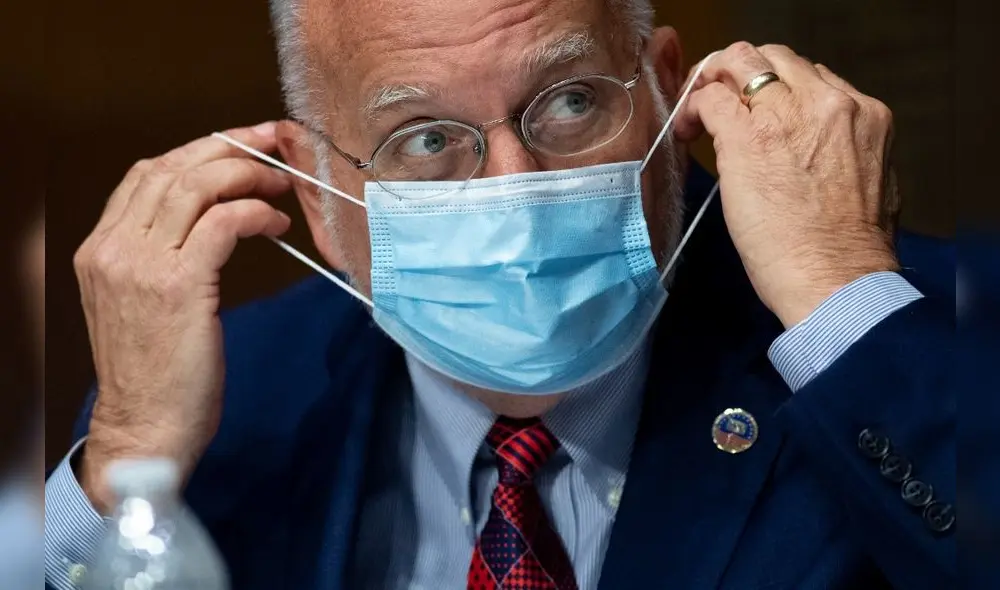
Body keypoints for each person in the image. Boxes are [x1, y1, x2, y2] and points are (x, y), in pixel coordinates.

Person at [45, 0, 957, 588]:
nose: (512, 186)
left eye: (568, 103)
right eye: (427, 138)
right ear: (321, 197)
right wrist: (121, 455)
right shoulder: (229, 398)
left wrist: (843, 301)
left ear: (667, 96)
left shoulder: (889, 328)